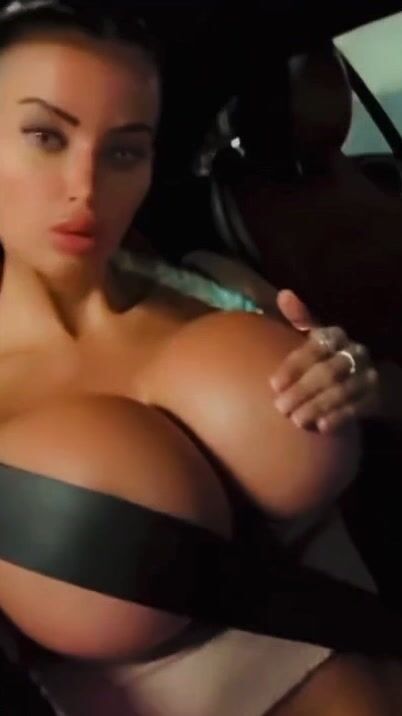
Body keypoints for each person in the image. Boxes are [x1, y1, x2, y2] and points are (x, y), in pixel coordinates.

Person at [0, 2, 398, 714]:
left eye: (124, 150)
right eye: (45, 136)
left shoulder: (219, 283)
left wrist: (367, 385)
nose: (85, 185)